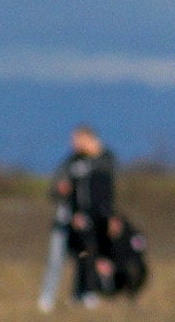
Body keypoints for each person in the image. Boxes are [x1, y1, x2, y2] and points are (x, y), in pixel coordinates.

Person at [44, 125, 123, 311]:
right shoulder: (72, 162)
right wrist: (61, 191)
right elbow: (55, 188)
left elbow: (107, 192)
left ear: (88, 138)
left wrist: (110, 216)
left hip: (95, 218)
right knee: (58, 257)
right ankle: (47, 298)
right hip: (69, 218)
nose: (73, 145)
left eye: (76, 140)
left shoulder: (105, 161)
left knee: (88, 256)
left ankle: (85, 294)